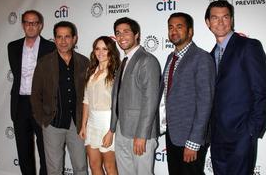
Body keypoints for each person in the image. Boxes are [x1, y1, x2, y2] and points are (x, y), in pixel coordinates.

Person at [205, 0, 266, 175]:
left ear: (231, 20)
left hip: (242, 135)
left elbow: (262, 91)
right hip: (217, 137)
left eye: (225, 17)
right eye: (215, 18)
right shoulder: (210, 57)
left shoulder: (249, 46)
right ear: (208, 23)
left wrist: (251, 131)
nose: (220, 22)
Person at [158, 12, 215, 175]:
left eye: (179, 27)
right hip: (173, 134)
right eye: (170, 27)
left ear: (190, 31)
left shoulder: (202, 58)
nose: (173, 31)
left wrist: (194, 141)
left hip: (191, 137)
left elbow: (205, 103)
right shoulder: (171, 58)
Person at [31, 21, 89, 175]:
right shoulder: (44, 63)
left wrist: (85, 121)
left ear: (74, 39)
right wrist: (43, 120)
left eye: (67, 37)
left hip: (78, 125)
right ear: (54, 39)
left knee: (81, 167)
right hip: (53, 123)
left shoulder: (84, 62)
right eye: (59, 37)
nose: (63, 41)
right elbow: (35, 94)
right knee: (54, 169)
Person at [106, 17, 161, 175]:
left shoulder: (146, 60)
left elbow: (150, 101)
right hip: (122, 130)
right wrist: (113, 128)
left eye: (126, 32)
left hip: (139, 133)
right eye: (118, 33)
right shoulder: (124, 61)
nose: (121, 36)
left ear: (137, 34)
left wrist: (142, 135)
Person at [7, 10, 55, 175]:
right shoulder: (12, 47)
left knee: (45, 151)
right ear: (22, 25)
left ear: (40, 26)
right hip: (20, 105)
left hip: (42, 106)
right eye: (27, 22)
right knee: (23, 151)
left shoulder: (50, 47)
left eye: (34, 23)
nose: (31, 26)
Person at [79, 36, 120, 175]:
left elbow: (118, 105)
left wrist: (111, 131)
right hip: (91, 123)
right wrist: (83, 125)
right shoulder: (91, 71)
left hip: (108, 123)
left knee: (110, 167)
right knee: (94, 165)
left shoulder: (116, 73)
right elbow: (86, 100)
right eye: (97, 48)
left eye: (105, 49)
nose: (100, 52)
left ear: (111, 51)